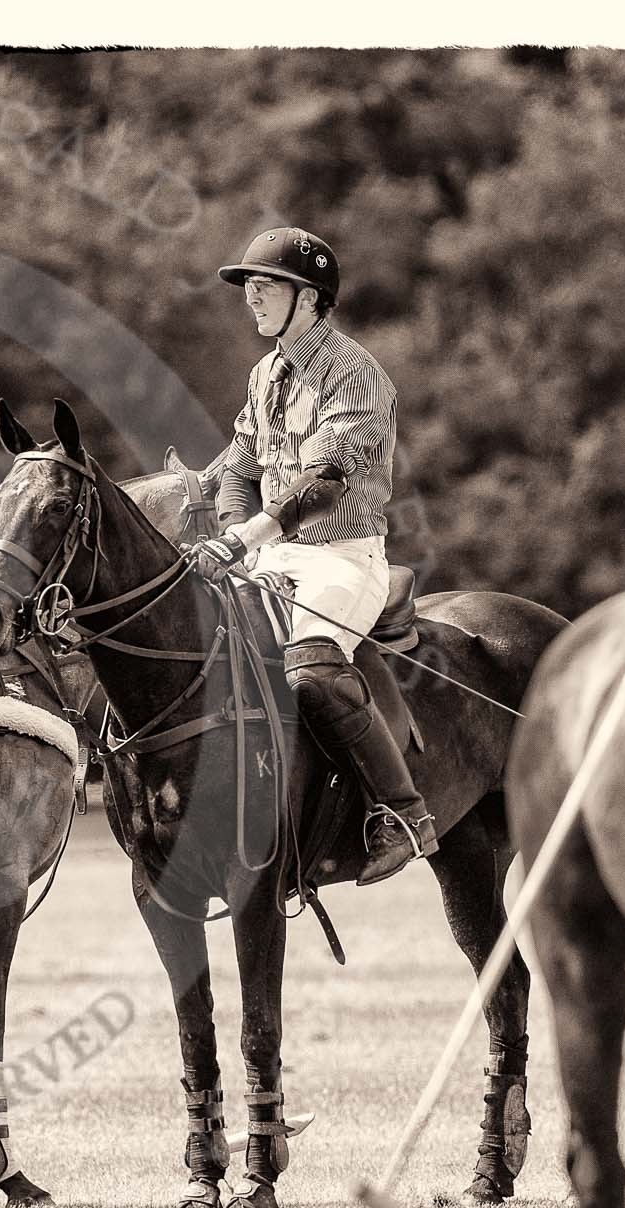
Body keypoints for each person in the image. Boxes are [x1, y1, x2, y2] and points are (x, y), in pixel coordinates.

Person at [186, 226, 436, 885]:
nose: (253, 298)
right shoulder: (265, 373)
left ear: (312, 298)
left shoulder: (355, 372)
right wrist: (227, 528)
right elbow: (239, 469)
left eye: (267, 287)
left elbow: (322, 482)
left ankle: (402, 811)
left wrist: (240, 539)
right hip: (270, 559)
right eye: (250, 288)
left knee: (311, 673)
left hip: (341, 558)